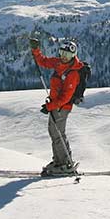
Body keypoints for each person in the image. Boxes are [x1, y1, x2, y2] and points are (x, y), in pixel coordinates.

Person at [30, 38, 84, 176]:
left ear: (73, 55)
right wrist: (35, 50)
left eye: (67, 55)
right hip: (55, 105)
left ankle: (65, 163)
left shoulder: (73, 73)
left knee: (58, 134)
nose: (64, 57)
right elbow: (43, 61)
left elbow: (66, 97)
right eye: (62, 53)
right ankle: (60, 161)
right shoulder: (59, 63)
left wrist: (50, 106)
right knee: (55, 133)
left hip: (62, 107)